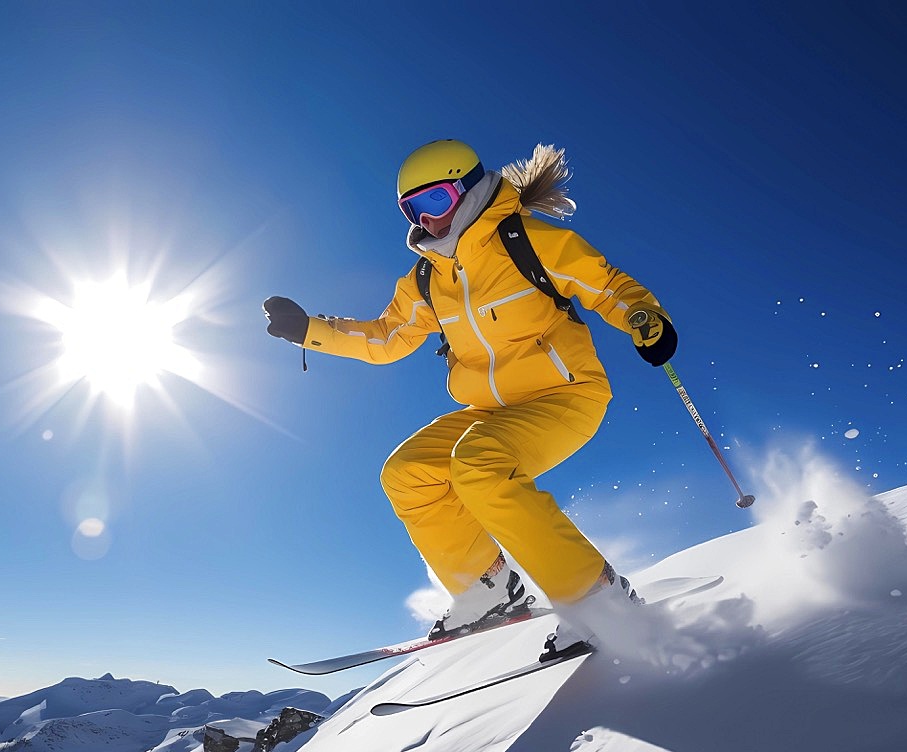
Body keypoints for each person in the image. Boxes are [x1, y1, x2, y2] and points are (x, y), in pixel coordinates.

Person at [264, 139, 676, 661]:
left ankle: (598, 599)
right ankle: (486, 588)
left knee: (478, 464)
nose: (427, 222)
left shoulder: (530, 242)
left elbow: (608, 286)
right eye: (413, 211)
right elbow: (388, 338)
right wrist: (310, 330)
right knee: (407, 472)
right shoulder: (427, 280)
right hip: (489, 410)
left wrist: (644, 318)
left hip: (565, 394)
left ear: (469, 190)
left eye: (435, 203)